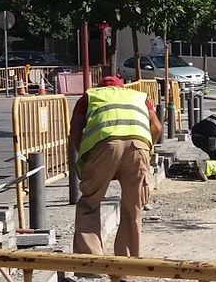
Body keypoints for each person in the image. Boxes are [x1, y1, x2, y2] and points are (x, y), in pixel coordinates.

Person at [67, 75, 162, 260]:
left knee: (90, 203)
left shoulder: (90, 96)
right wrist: (146, 151)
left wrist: (86, 156)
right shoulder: (139, 96)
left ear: (101, 87)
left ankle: (90, 263)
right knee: (133, 208)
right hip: (139, 147)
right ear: (122, 87)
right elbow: (157, 127)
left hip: (105, 146)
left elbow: (75, 131)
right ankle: (128, 267)